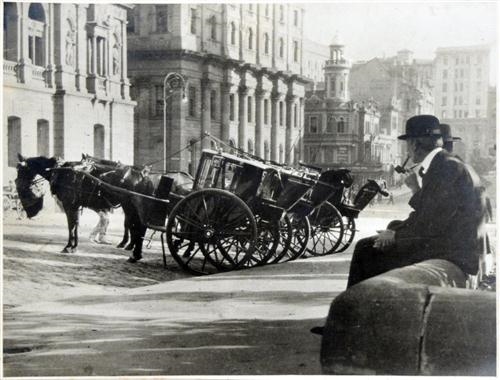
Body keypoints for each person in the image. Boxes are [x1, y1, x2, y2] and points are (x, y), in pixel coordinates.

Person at [346, 115, 486, 288]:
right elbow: (430, 214)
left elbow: (432, 224)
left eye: (407, 144)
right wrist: (395, 231)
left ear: (414, 144)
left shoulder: (445, 168)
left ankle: (353, 310)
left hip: (453, 251)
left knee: (365, 249)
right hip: (454, 245)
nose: (407, 151)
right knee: (388, 231)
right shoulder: (446, 163)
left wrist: (396, 235)